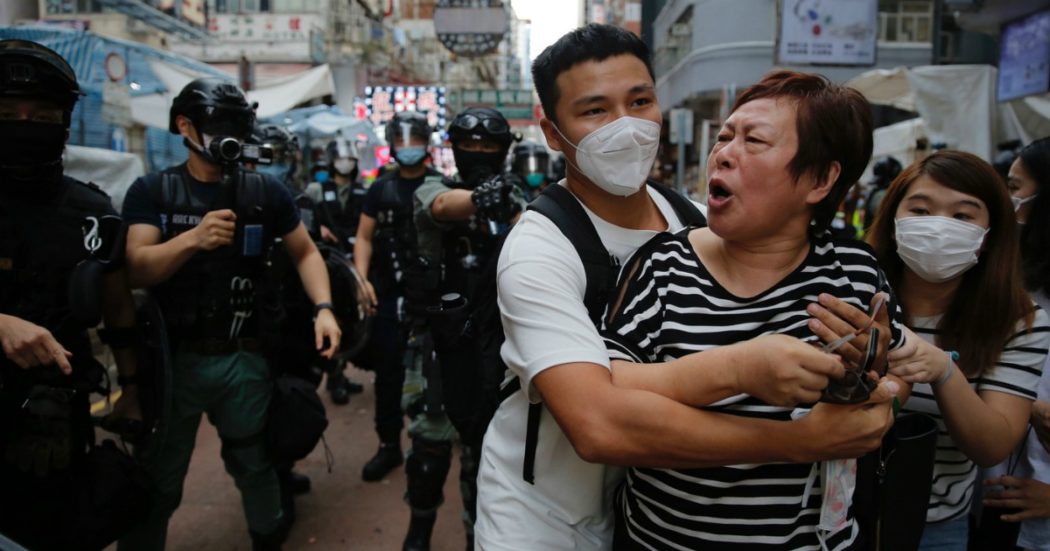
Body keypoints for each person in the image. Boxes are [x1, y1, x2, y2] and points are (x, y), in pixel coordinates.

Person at [474, 24, 898, 551]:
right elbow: (598, 424)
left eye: (640, 100)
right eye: (595, 110)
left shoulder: (696, 221)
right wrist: (796, 437)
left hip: (637, 501)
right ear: (552, 133)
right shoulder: (538, 252)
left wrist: (866, 360)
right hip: (548, 514)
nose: (625, 126)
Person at [602, 69, 907, 550]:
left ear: (821, 179)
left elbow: (896, 376)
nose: (722, 153)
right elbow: (609, 392)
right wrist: (739, 369)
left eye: (754, 140)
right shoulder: (662, 264)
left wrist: (872, 382)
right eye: (724, 137)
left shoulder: (853, 273)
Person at [119, 77, 341, 550]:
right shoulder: (153, 192)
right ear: (185, 126)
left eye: (239, 126)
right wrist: (191, 240)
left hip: (244, 358)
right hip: (175, 362)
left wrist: (324, 308)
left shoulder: (265, 191)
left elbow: (306, 253)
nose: (231, 137)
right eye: (220, 126)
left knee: (255, 466)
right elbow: (136, 268)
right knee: (159, 476)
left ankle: (268, 539)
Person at [863, 150, 1050, 549]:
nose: (938, 227)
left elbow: (992, 445)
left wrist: (945, 372)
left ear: (988, 237)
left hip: (933, 527)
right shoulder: (853, 292)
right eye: (921, 209)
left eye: (963, 216)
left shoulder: (1019, 321)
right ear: (894, 219)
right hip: (826, 511)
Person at [0, 39, 144, 550]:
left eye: (41, 116)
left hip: (55, 419)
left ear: (63, 124)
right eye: (8, 113)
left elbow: (118, 304)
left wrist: (130, 388)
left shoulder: (93, 212)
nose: (23, 125)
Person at [404, 106, 526, 551]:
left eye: (487, 146)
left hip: (497, 344)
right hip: (438, 340)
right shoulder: (435, 188)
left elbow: (536, 234)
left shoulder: (519, 198)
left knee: (487, 452)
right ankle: (419, 528)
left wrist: (511, 208)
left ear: (503, 149)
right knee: (429, 449)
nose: (478, 153)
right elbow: (438, 208)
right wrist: (478, 199)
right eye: (469, 145)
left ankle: (478, 536)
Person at [354, 110, 443, 482]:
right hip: (390, 297)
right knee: (388, 375)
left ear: (426, 143)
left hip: (434, 298)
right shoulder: (380, 188)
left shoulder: (443, 186)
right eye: (401, 140)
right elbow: (363, 237)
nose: (408, 147)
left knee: (435, 370)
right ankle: (388, 445)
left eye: (414, 139)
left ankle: (434, 440)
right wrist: (361, 279)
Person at [982, 136, 1050, 551]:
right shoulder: (1013, 282)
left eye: (1015, 187)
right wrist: (1027, 405)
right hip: (996, 504)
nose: (1009, 202)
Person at [302, 133, 367, 405]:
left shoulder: (363, 191)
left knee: (352, 318)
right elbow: (303, 220)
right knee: (332, 314)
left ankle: (341, 371)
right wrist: (319, 229)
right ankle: (333, 376)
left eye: (350, 158)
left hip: (354, 263)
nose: (345, 163)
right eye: (341, 158)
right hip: (328, 263)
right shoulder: (317, 190)